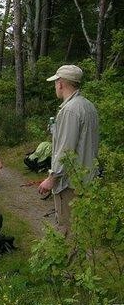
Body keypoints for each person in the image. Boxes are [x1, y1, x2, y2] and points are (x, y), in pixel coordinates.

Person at [38, 65, 99, 232]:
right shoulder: (88, 106)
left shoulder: (70, 110)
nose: (55, 86)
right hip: (87, 179)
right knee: (82, 230)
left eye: (55, 82)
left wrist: (52, 178)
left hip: (71, 184)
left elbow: (66, 150)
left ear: (60, 83)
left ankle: (67, 259)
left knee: (66, 230)